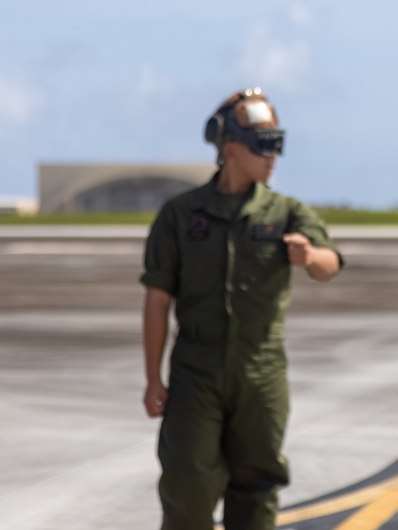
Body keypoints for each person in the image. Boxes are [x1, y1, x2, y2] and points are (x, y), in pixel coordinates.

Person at [141, 88, 342, 530]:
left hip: (261, 371)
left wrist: (309, 256)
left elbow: (331, 263)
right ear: (229, 147)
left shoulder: (287, 212)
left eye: (277, 145)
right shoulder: (180, 215)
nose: (273, 157)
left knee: (256, 492)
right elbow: (157, 300)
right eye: (262, 145)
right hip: (196, 372)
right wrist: (153, 378)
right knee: (186, 488)